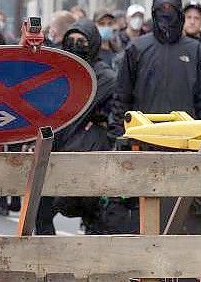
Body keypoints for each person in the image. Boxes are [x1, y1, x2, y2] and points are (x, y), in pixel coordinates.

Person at [36, 19, 136, 234]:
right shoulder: (58, 73)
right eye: (70, 40)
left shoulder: (106, 78)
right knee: (41, 211)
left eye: (81, 41)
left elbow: (116, 111)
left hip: (88, 151)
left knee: (91, 211)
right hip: (55, 150)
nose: (75, 45)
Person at [114, 0, 201, 130]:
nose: (166, 13)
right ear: (154, 12)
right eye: (162, 8)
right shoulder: (137, 48)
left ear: (179, 12)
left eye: (171, 8)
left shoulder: (195, 50)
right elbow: (122, 95)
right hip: (144, 134)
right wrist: (119, 134)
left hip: (185, 135)